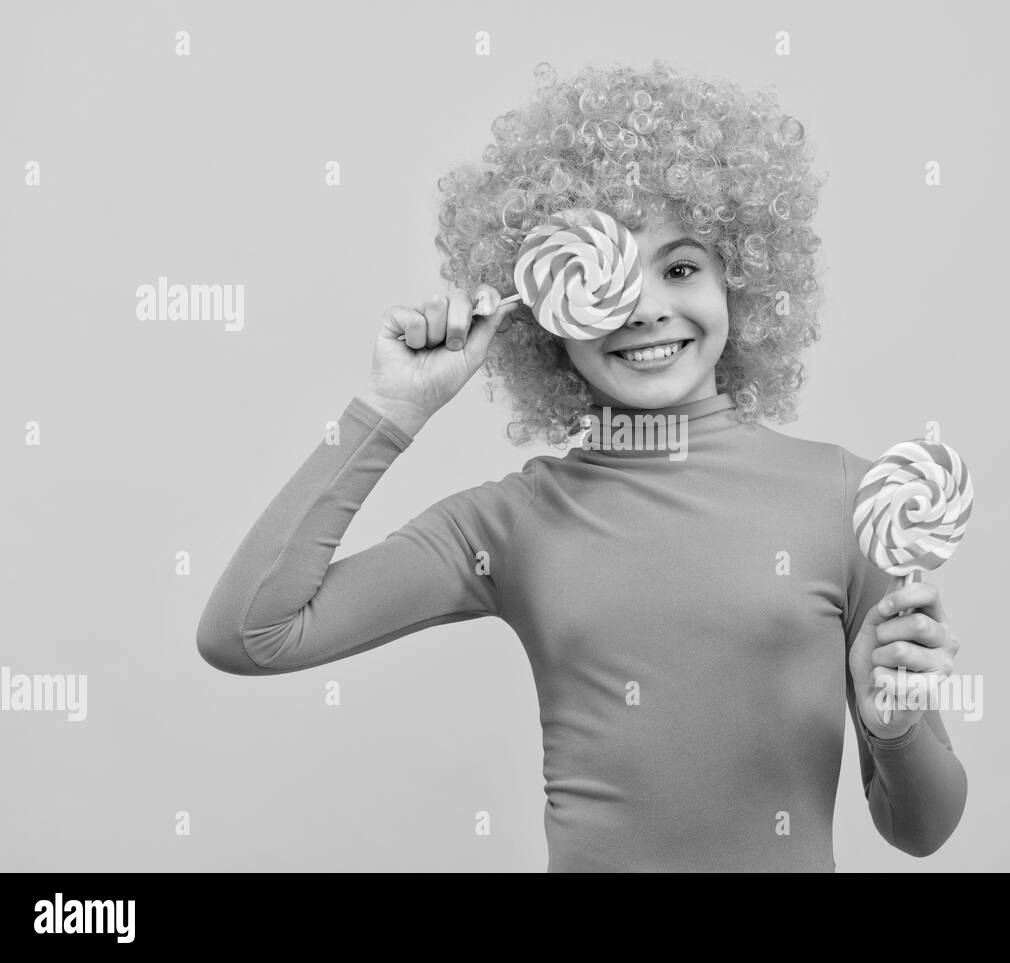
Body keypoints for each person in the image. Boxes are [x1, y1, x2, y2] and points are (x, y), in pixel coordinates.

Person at [196, 60, 967, 872]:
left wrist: (894, 726)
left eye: (679, 267)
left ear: (741, 278)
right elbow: (250, 632)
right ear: (546, 314)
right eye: (599, 280)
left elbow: (923, 828)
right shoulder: (512, 523)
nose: (643, 307)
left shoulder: (852, 499)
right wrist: (393, 412)